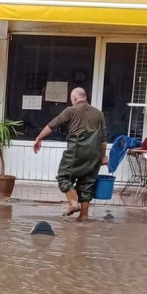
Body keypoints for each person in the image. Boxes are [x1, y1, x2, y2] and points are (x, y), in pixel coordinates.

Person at [33, 88, 108, 222]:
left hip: (76, 151)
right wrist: (103, 156)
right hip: (94, 155)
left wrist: (39, 138)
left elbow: (52, 125)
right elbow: (103, 139)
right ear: (85, 97)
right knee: (87, 184)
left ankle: (73, 204)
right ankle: (83, 217)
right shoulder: (99, 114)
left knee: (63, 176)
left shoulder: (71, 110)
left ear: (74, 98)